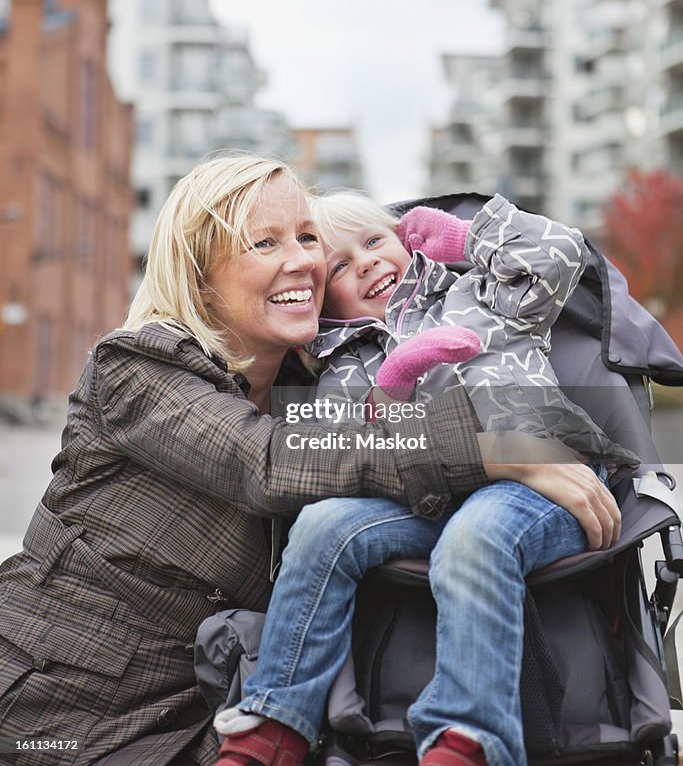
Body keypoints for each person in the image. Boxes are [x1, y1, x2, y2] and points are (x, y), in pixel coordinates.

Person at [0, 155, 493, 766]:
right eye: (264, 242)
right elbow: (264, 461)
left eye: (307, 237)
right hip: (59, 708)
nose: (304, 261)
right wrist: (504, 452)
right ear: (199, 272)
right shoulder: (136, 368)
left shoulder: (316, 391)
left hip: (215, 712)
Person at [211, 192, 635, 766]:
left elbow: (561, 255)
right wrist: (393, 389)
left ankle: (468, 737)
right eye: (338, 265)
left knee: (475, 537)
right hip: (422, 498)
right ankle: (275, 719)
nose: (364, 262)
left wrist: (465, 240)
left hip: (541, 479)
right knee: (319, 525)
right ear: (323, 297)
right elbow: (354, 456)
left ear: (407, 245)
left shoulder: (479, 294)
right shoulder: (341, 362)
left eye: (374, 241)